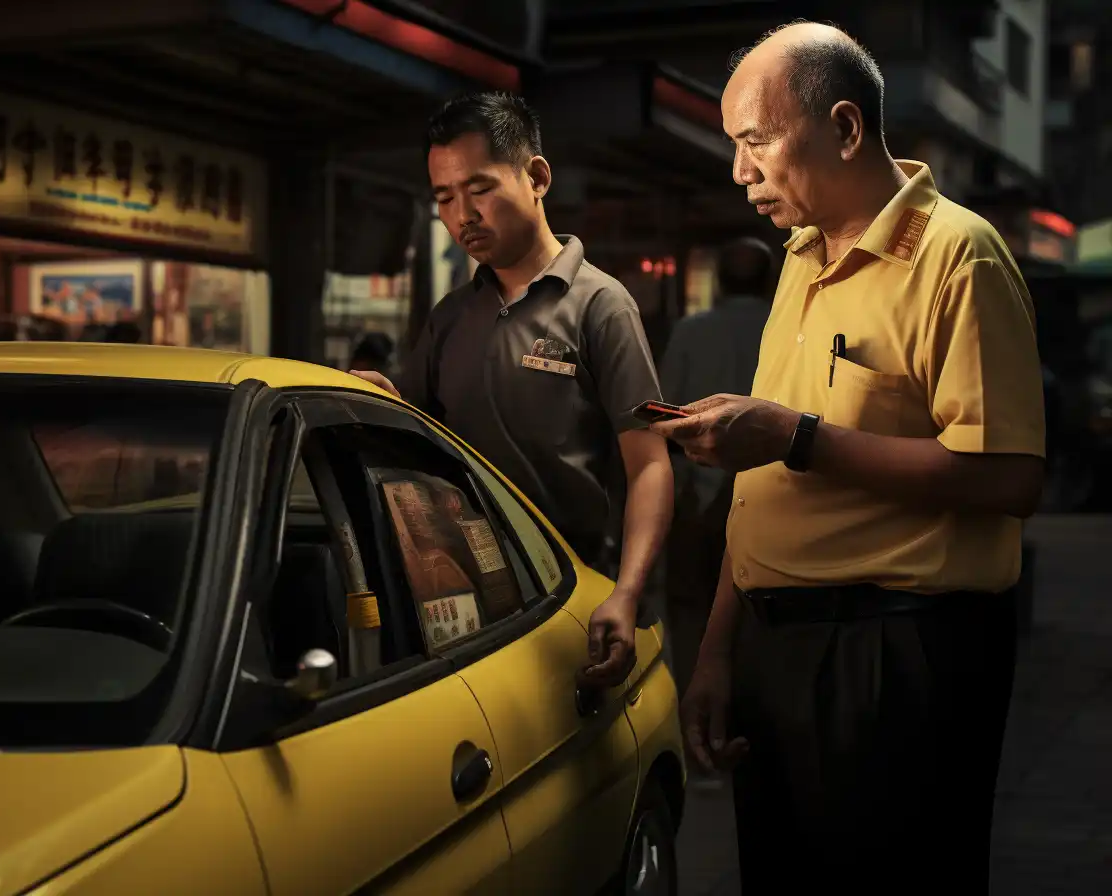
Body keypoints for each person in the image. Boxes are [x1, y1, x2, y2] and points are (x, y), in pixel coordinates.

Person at [650, 22, 1046, 893]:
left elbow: (1010, 477)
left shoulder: (959, 256)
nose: (739, 171)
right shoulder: (800, 256)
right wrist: (717, 651)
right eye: (733, 145)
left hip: (897, 653)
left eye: (756, 141)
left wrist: (798, 437)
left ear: (844, 127)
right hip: (775, 646)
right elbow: (760, 492)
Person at [351, 91, 674, 688]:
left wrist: (627, 593)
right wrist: (375, 394)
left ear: (537, 177)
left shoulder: (600, 306)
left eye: (480, 189)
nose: (462, 215)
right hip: (474, 603)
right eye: (444, 198)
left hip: (575, 593)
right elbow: (417, 427)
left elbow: (649, 464)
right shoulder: (451, 316)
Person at [655, 236, 773, 720]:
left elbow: (664, 415)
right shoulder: (783, 327)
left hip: (696, 491)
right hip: (771, 496)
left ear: (719, 281)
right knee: (758, 610)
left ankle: (695, 716)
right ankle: (748, 723)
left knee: (690, 609)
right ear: (768, 280)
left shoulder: (691, 331)